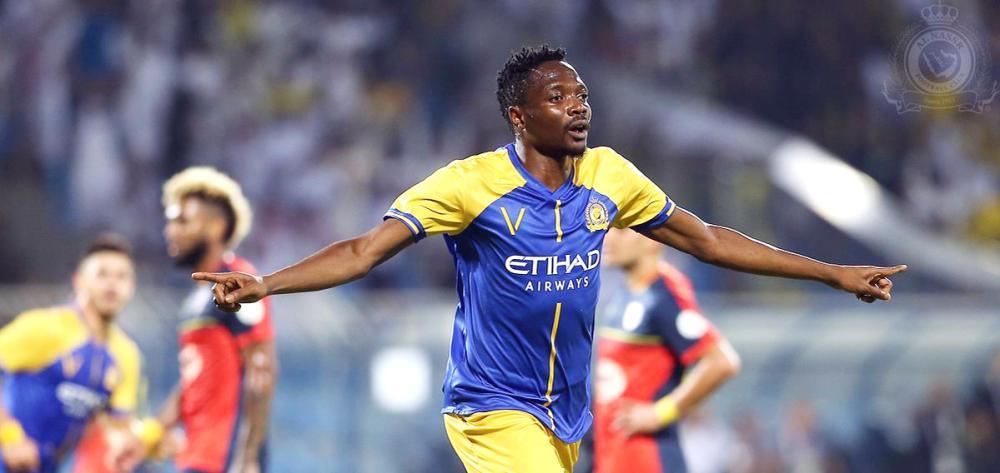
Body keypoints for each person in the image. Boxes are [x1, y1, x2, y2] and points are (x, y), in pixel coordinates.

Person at [194, 46, 906, 472]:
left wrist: (832, 272)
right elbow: (363, 250)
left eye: (582, 94)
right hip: (489, 404)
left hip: (566, 412)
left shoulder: (609, 176)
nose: (578, 106)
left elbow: (709, 239)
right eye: (557, 96)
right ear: (519, 115)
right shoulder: (468, 185)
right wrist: (266, 284)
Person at [152, 167, 277, 473]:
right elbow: (195, 381)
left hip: (224, 457)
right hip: (196, 454)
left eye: (182, 221)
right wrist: (156, 430)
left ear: (216, 227)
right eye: (170, 221)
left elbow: (261, 368)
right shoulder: (197, 298)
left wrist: (248, 458)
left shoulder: (237, 283)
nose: (170, 231)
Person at [594, 227, 741, 472]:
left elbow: (721, 362)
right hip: (614, 458)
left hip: (649, 459)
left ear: (654, 239)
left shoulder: (664, 293)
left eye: (622, 231)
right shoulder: (624, 295)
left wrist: (659, 413)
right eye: (610, 229)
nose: (608, 237)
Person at [0, 234, 147, 473]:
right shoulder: (46, 327)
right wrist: (8, 436)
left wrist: (151, 441)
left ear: (131, 287)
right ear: (78, 281)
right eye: (102, 274)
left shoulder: (126, 355)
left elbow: (119, 426)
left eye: (121, 276)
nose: (112, 284)